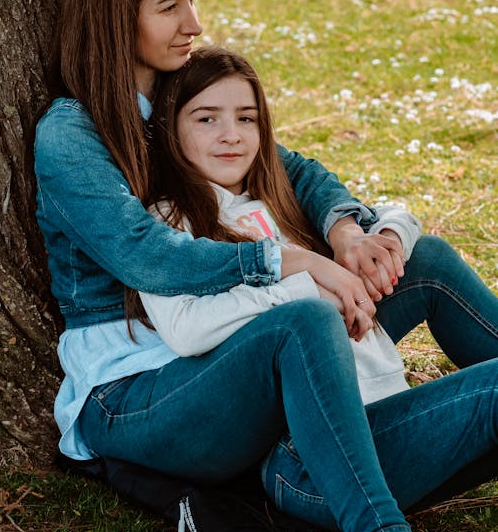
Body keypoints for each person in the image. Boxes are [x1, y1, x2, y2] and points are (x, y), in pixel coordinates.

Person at [33, 0, 498, 532]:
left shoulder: (182, 89)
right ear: (116, 15)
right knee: (300, 321)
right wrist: (289, 262)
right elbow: (147, 256)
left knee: (430, 263)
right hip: (139, 384)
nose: (193, 24)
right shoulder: (71, 134)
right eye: (170, 6)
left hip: (233, 339)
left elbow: (292, 168)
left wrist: (344, 234)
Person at [140, 45, 423, 404]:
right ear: (171, 129)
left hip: (383, 387)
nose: (232, 135)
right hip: (327, 413)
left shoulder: (278, 198)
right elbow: (186, 331)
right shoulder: (170, 218)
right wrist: (309, 286)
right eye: (206, 119)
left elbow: (395, 215)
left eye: (246, 118)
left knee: (430, 255)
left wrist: (386, 244)